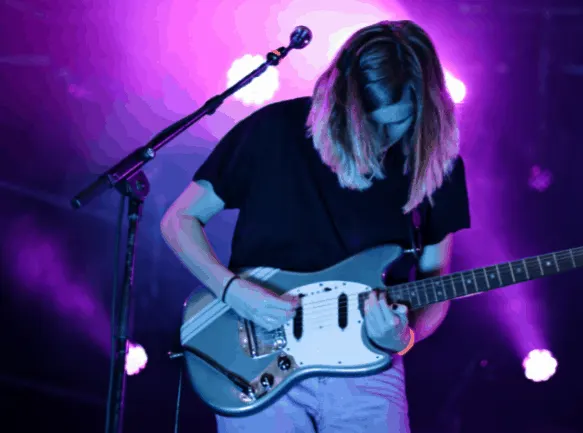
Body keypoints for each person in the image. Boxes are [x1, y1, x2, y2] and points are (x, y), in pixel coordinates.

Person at [160, 20, 470, 433]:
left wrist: (406, 337)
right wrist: (232, 290)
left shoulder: (436, 166)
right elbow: (179, 220)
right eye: (371, 123)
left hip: (368, 371)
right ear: (344, 102)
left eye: (398, 122)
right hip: (260, 361)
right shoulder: (275, 129)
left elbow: (435, 282)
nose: (382, 138)